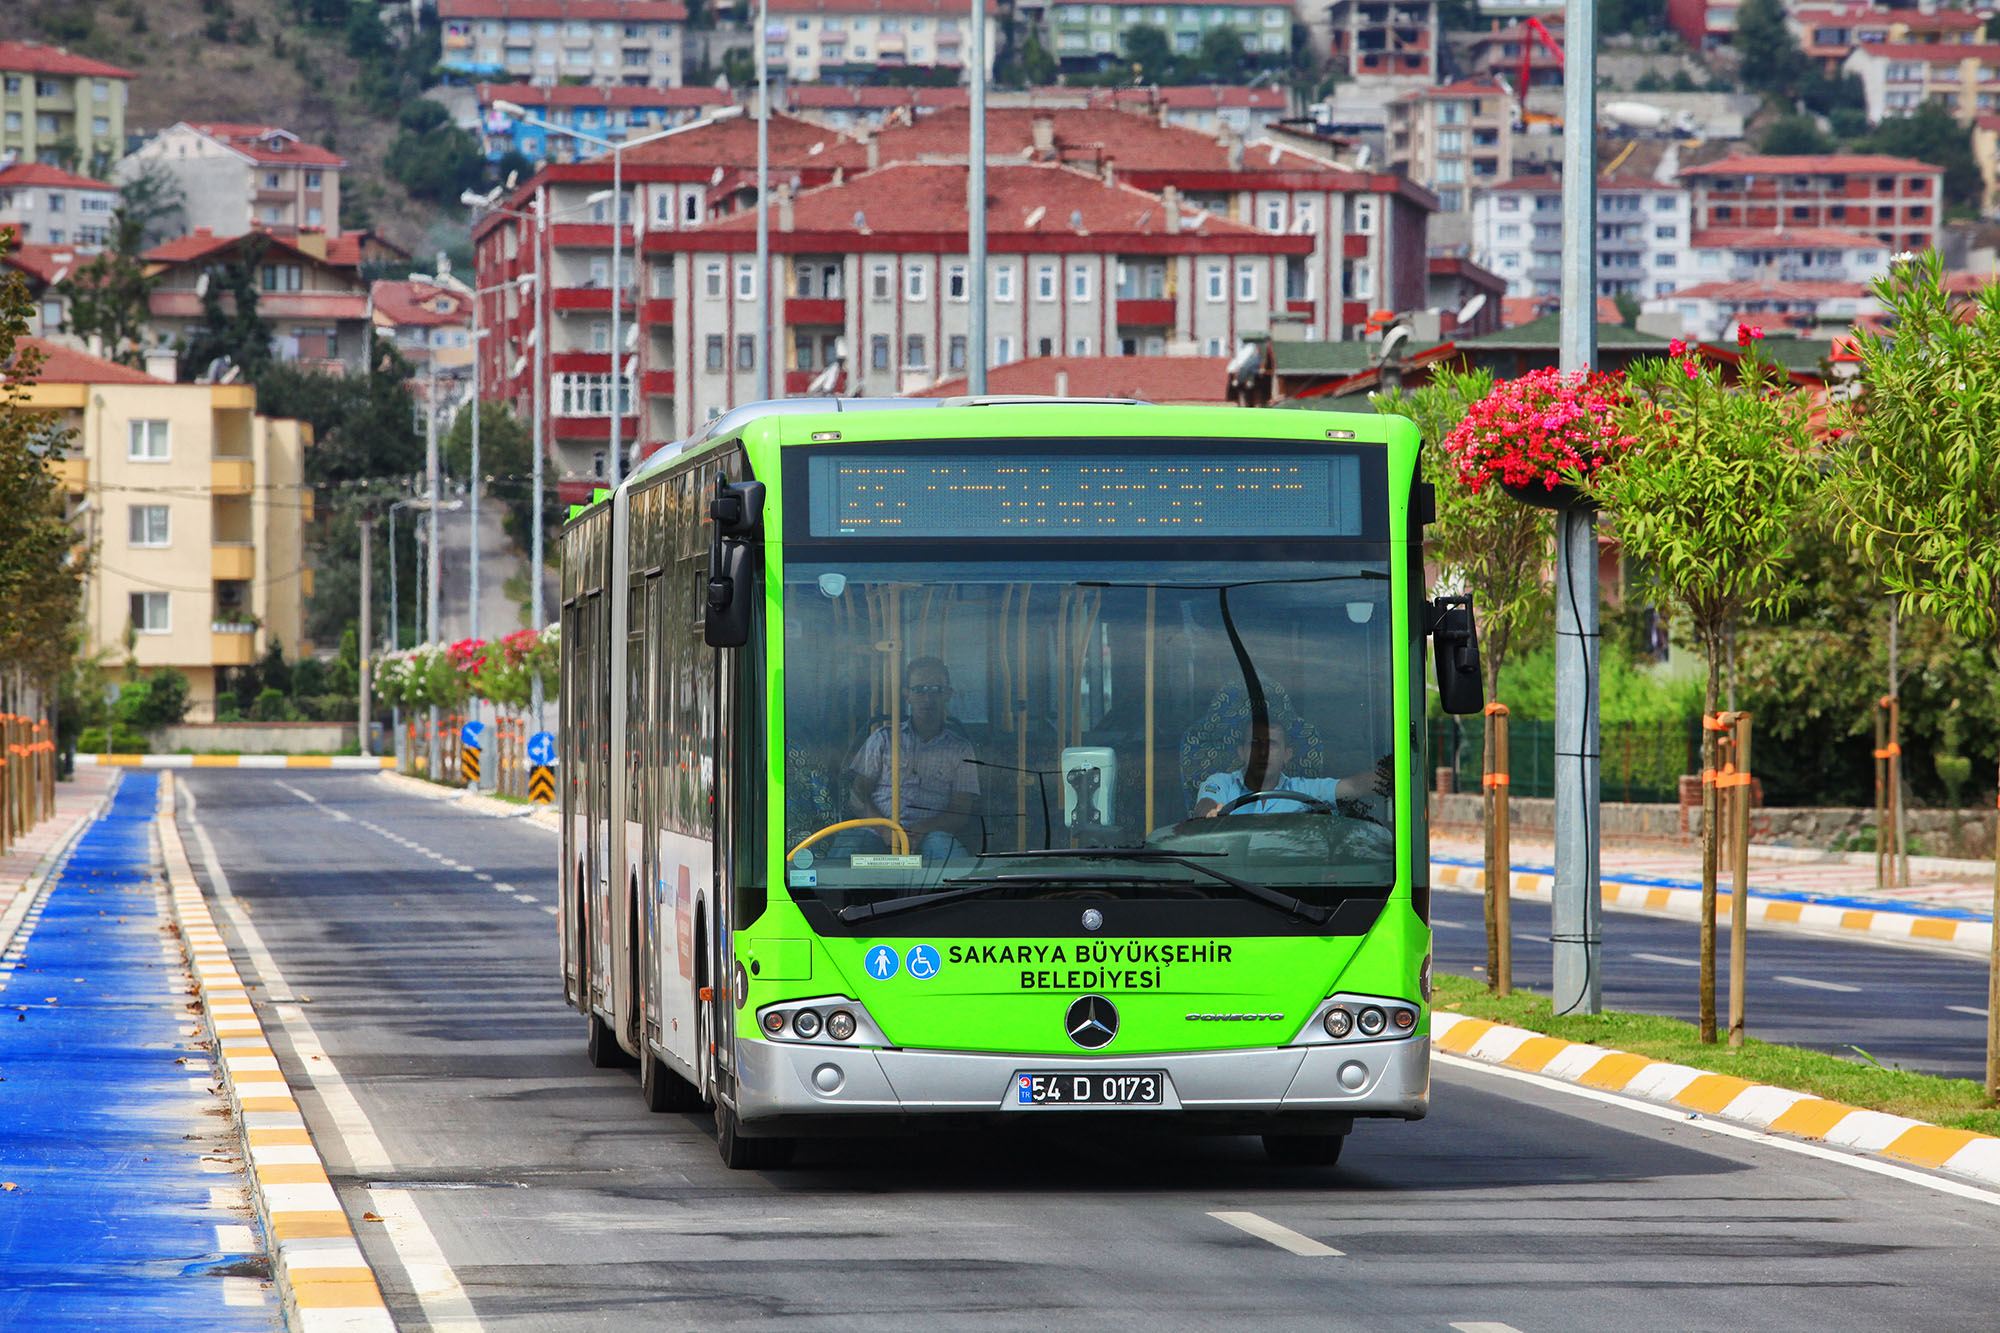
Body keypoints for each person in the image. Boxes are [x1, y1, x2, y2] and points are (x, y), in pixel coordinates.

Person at [846, 657, 979, 862]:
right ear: (906, 695)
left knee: (951, 856)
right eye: (919, 689)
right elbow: (857, 796)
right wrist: (885, 830)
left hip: (932, 835)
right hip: (877, 830)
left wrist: (921, 830)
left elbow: (960, 811)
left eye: (936, 689)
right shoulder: (883, 738)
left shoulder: (961, 749)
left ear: (948, 694)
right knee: (846, 849)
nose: (928, 698)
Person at [1191, 725, 1373, 818]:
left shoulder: (1306, 790)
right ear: (1242, 752)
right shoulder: (1221, 783)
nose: (1263, 752)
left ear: (1287, 755)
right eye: (1255, 744)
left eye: (1272, 744)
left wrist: (1390, 774)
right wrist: (1211, 813)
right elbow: (1205, 805)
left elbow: (1354, 787)